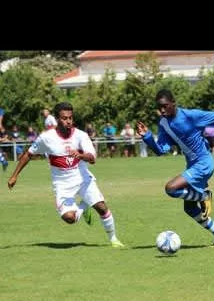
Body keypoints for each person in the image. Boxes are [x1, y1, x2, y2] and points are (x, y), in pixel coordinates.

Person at [136, 89, 214, 248]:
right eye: (159, 107)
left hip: (204, 163)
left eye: (165, 106)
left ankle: (203, 196)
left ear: (173, 103)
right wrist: (147, 136)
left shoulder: (190, 116)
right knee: (190, 208)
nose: (162, 110)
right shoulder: (163, 123)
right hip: (193, 165)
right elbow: (161, 150)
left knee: (171, 188)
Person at [7, 102, 125, 248]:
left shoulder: (81, 136)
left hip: (82, 179)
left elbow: (92, 158)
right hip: (62, 184)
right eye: (64, 118)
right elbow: (28, 154)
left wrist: (81, 155)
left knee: (101, 207)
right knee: (69, 218)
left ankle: (114, 239)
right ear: (57, 119)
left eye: (70, 117)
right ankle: (84, 206)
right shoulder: (46, 138)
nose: (68, 121)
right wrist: (14, 175)